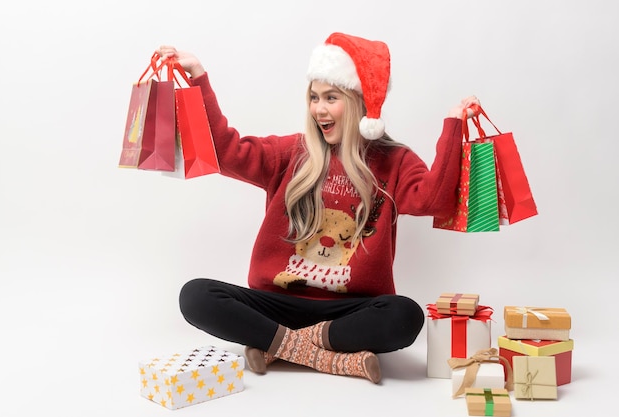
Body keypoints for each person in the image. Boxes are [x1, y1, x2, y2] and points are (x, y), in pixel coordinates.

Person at [157, 32, 479, 384]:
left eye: (330, 98)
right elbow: (224, 151)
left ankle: (276, 347)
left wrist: (453, 127)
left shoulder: (394, 162)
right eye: (313, 97)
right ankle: (333, 359)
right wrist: (199, 77)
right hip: (275, 305)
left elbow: (433, 200)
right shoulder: (289, 153)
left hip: (348, 312)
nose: (318, 109)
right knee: (196, 295)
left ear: (358, 102)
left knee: (405, 316)